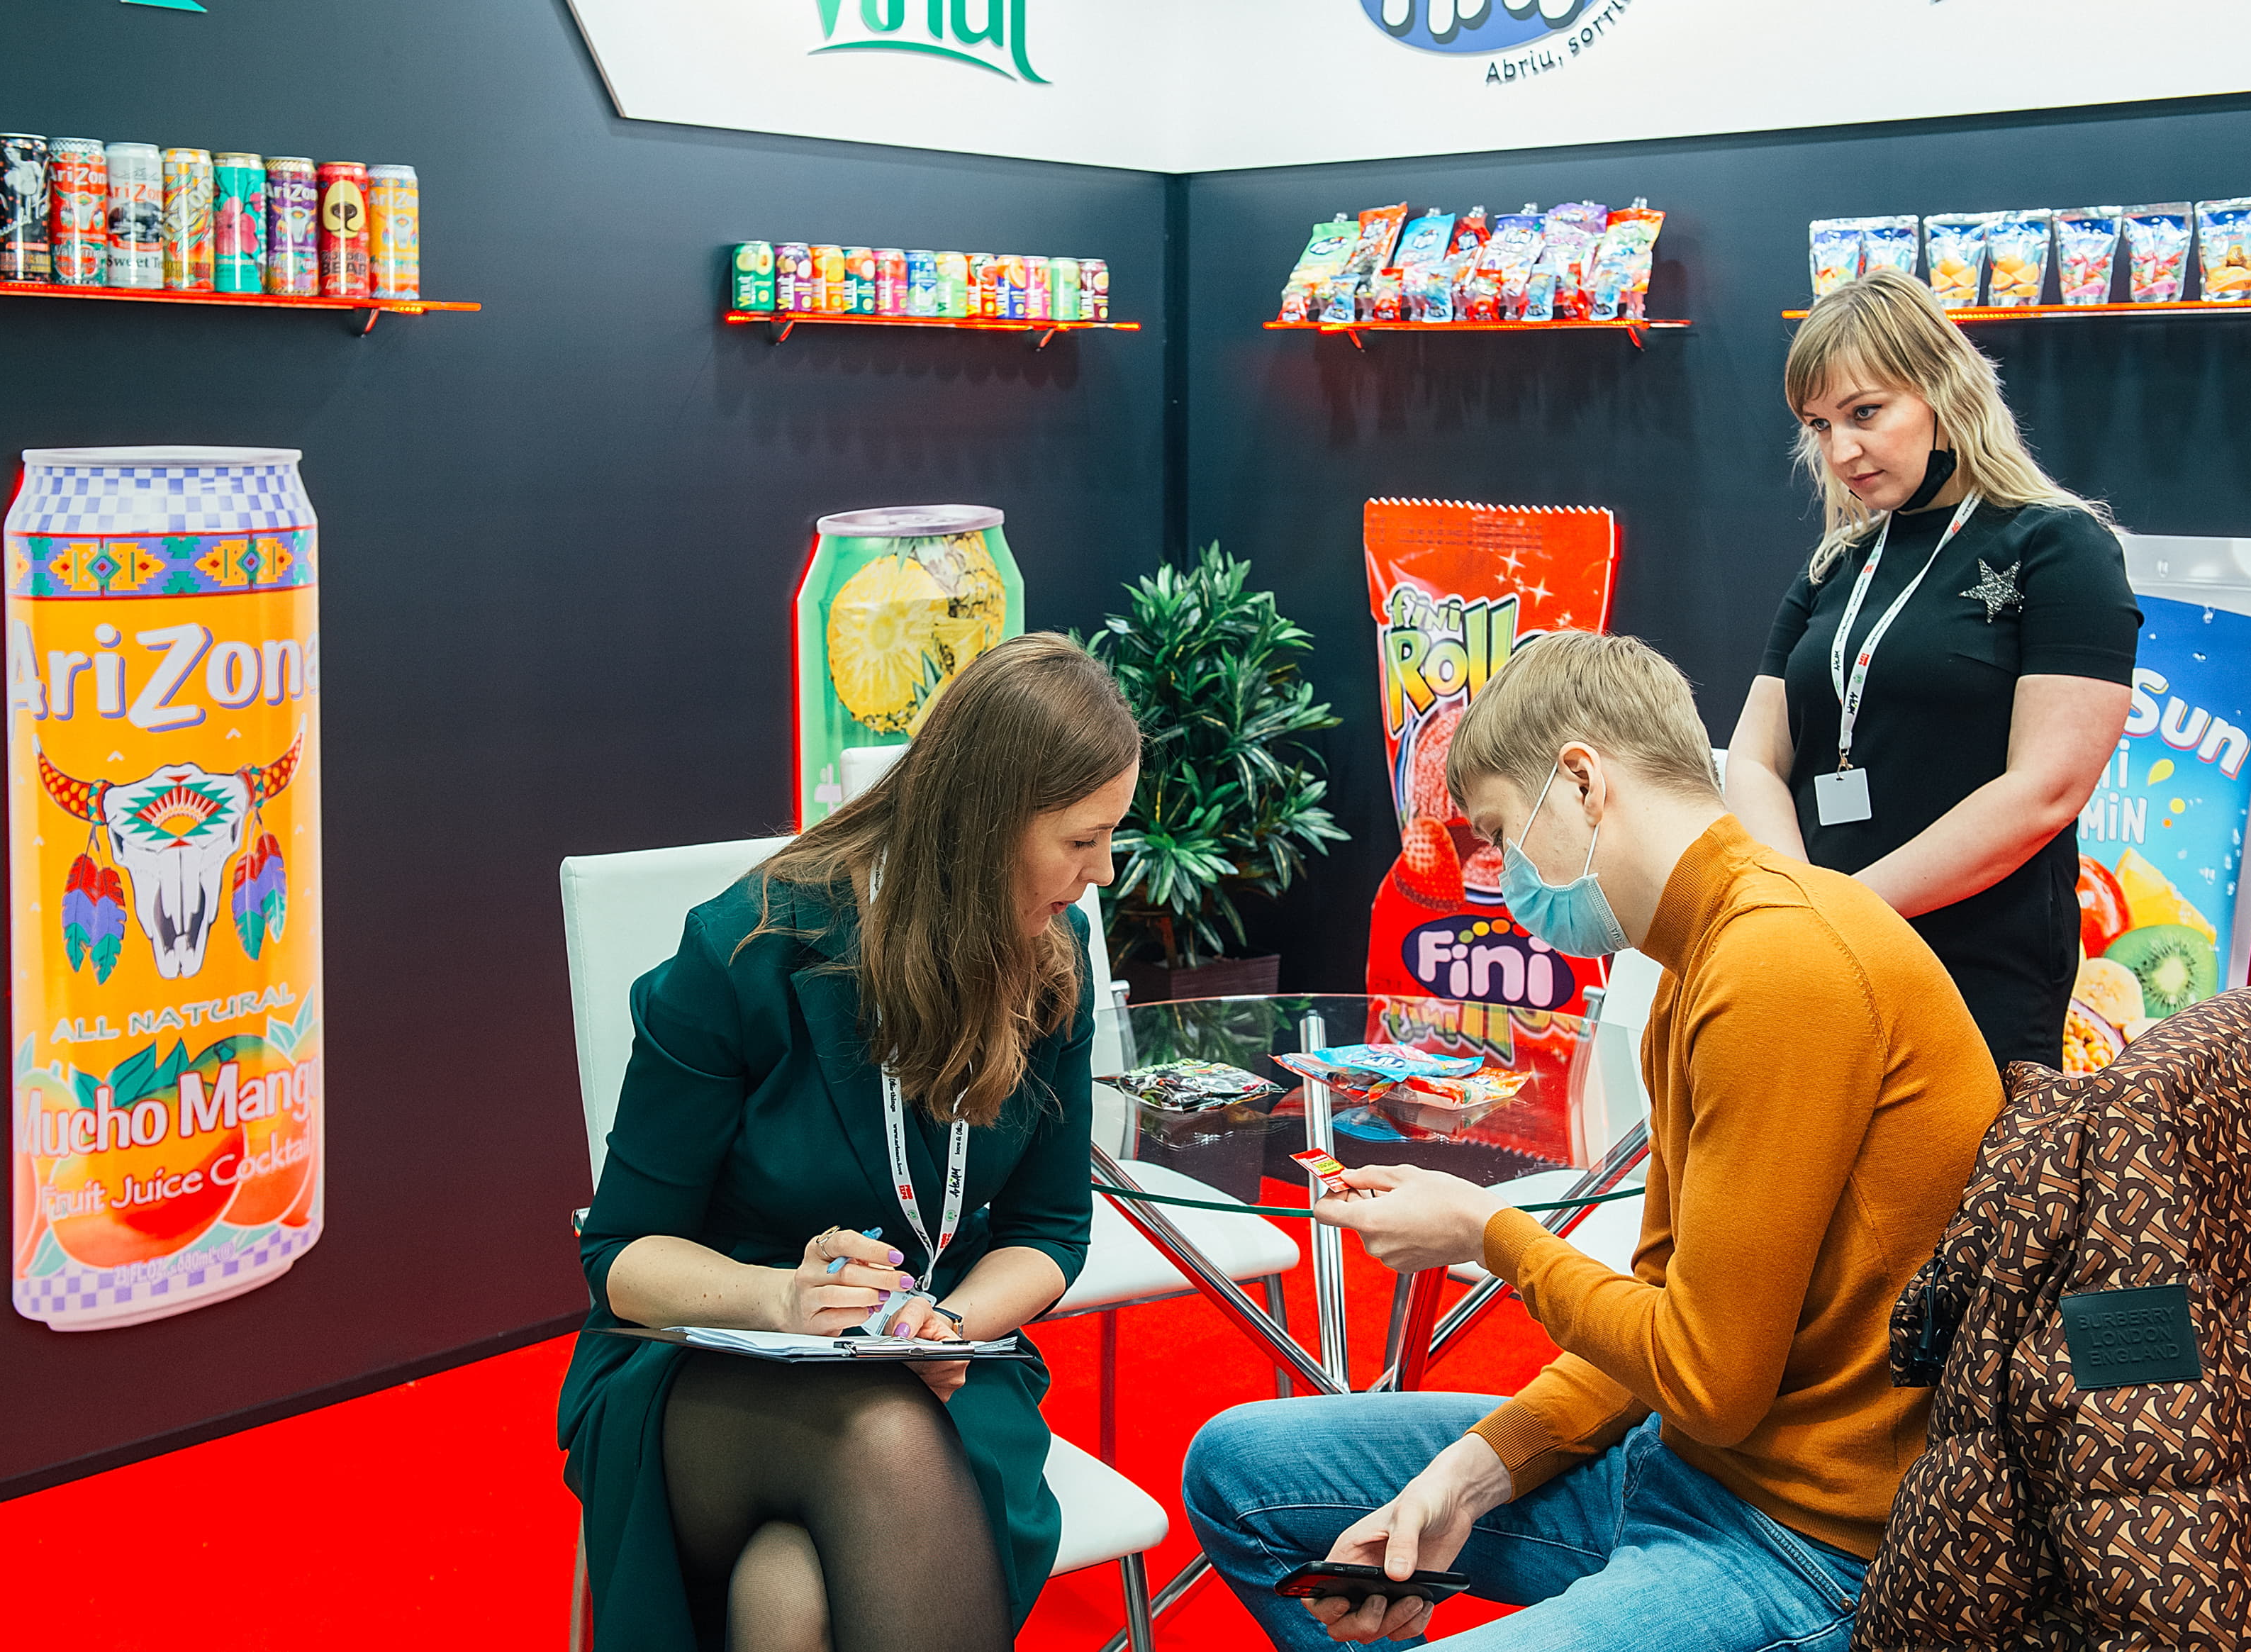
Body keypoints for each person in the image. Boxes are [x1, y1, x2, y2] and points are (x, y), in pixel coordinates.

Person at [1183, 630, 2004, 1651]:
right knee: (1235, 1468)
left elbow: (1706, 1378)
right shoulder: (1703, 958)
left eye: (1500, 831)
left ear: (1581, 779)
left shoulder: (1778, 963)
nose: (1500, 874)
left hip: (1807, 1544)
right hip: (1679, 1465)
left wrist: (1492, 1234)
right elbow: (1664, 1316)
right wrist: (1470, 1474)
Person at [557, 633, 1141, 1652]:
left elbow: (1049, 1230)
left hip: (944, 1361)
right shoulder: (746, 948)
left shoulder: (1053, 952)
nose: (1097, 876)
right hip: (709, 1365)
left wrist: (945, 1326)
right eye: (1081, 840)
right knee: (883, 1438)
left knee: (789, 1597)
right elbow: (622, 1256)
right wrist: (782, 1298)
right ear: (986, 825)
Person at [1724, 266, 2139, 1072]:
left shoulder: (2058, 546)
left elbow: (2045, 789)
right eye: (1818, 425)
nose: (1841, 451)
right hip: (1822, 960)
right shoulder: (1836, 564)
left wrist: (1848, 910)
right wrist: (1804, 907)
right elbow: (1753, 757)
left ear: (1944, 390)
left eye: (1864, 412)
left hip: (1973, 969)